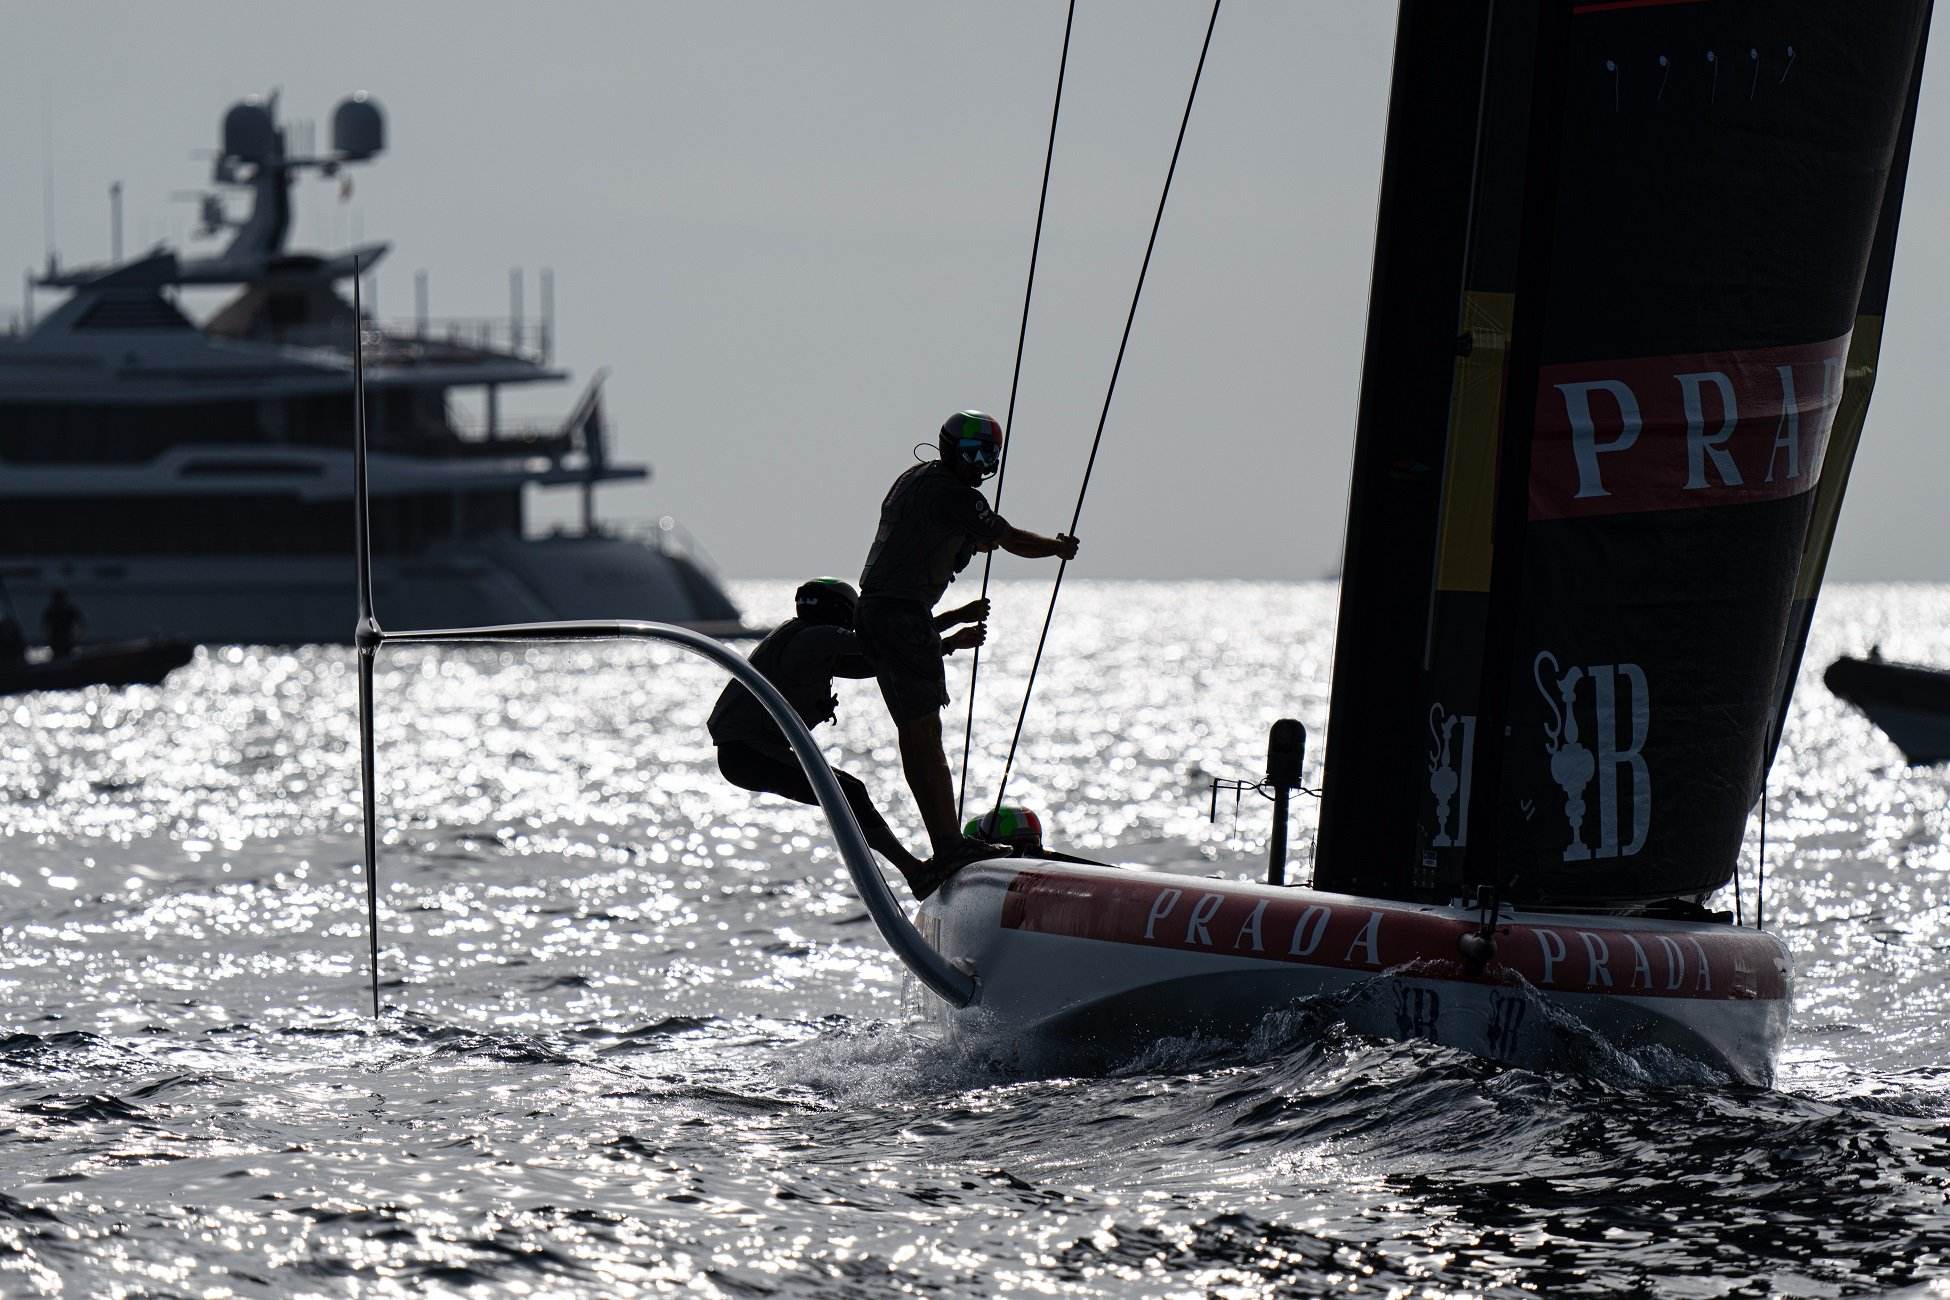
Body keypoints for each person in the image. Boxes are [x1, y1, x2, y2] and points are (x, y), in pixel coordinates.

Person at [857, 410, 1079, 878]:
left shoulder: (917, 479)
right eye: (974, 454)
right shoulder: (954, 493)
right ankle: (949, 845)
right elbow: (1010, 538)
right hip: (902, 614)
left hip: (882, 611)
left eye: (990, 457)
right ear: (950, 450)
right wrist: (1057, 548)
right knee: (923, 733)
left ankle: (947, 843)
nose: (982, 465)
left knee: (917, 731)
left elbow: (951, 535)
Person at [708, 577, 989, 899]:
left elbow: (873, 663)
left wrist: (949, 644)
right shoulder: (816, 637)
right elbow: (886, 644)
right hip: (746, 754)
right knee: (849, 793)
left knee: (850, 792)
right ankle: (916, 873)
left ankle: (915, 872)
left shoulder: (804, 638)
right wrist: (955, 617)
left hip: (745, 753)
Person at [42, 589, 84, 659]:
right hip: (58, 640)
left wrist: (77, 639)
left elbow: (45, 627)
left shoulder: (69, 611)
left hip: (65, 640)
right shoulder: (51, 611)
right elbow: (45, 627)